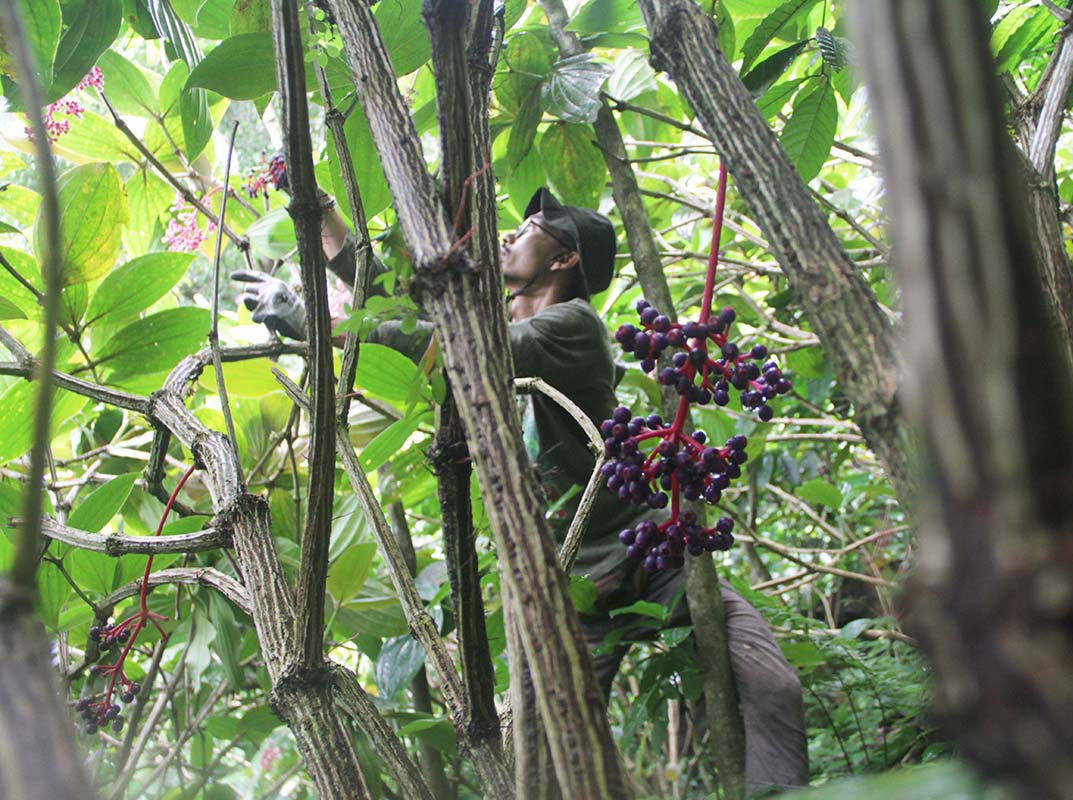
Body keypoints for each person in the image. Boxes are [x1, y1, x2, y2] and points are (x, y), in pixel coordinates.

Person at [234, 188, 808, 791]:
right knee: (551, 764)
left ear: (563, 259)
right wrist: (319, 210)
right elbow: (399, 302)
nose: (510, 234)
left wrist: (305, 317)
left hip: (650, 562)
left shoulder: (574, 327)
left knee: (773, 685)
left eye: (531, 226)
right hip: (568, 590)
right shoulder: (496, 318)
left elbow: (452, 349)